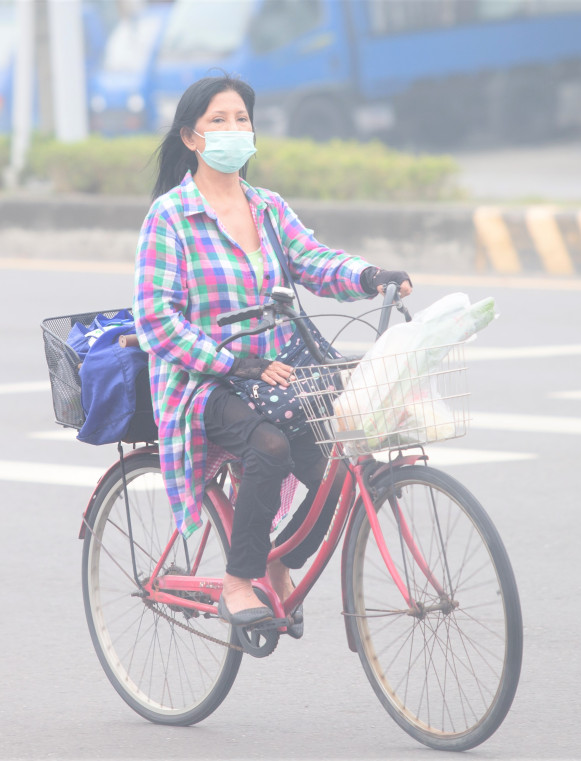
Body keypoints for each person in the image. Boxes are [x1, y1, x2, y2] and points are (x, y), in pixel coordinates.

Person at [133, 75, 411, 629]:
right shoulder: (171, 217)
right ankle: (239, 580)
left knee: (346, 458)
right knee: (268, 446)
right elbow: (156, 321)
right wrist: (233, 362)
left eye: (242, 118)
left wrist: (368, 274)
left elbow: (314, 260)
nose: (234, 129)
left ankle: (283, 555)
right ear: (191, 137)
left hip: (281, 374)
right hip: (204, 382)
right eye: (219, 120)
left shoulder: (267, 207)